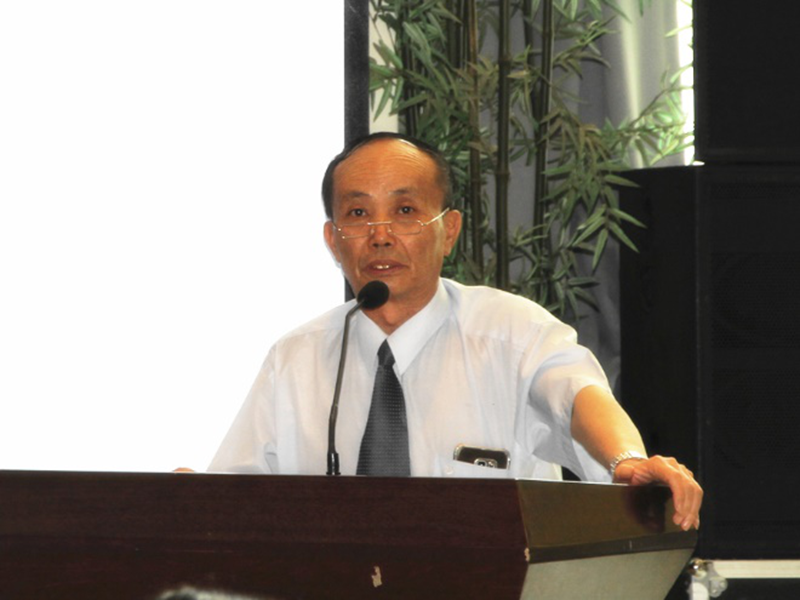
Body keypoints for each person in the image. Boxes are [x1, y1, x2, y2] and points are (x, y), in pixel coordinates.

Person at [208, 132, 702, 531]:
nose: (380, 235)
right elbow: (231, 496)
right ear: (333, 242)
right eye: (357, 214)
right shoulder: (295, 358)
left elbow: (576, 397)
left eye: (405, 211)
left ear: (450, 230)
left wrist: (626, 461)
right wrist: (194, 504)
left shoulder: (512, 332)